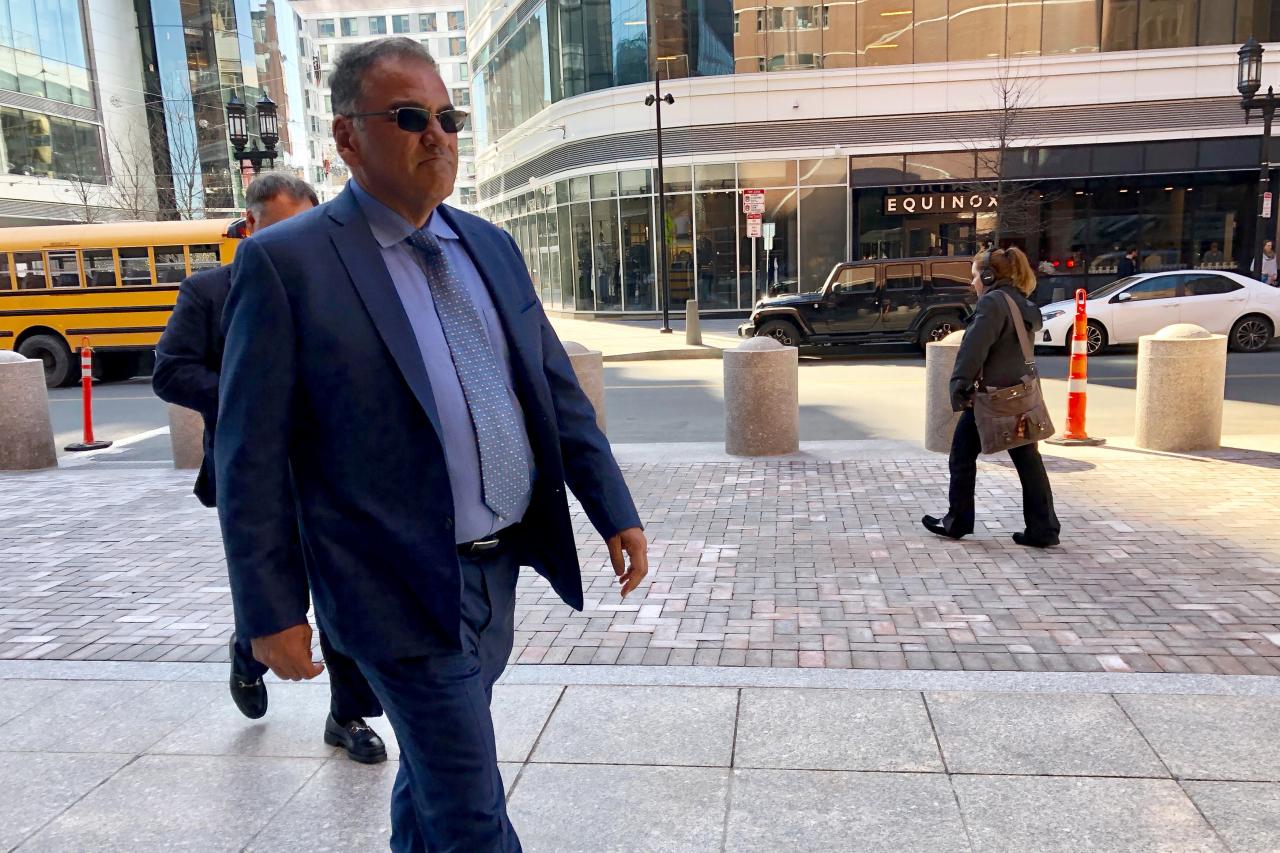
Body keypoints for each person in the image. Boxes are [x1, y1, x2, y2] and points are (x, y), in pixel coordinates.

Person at [215, 37, 649, 852]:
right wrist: (269, 610)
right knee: (471, 811)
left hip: (497, 570)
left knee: (434, 770)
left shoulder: (489, 246)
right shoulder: (286, 264)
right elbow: (249, 456)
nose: (437, 136)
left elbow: (552, 389)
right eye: (410, 117)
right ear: (347, 136)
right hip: (389, 586)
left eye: (448, 118)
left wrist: (611, 507)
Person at [152, 173, 388, 764]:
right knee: (268, 580)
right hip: (257, 473)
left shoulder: (337, 285)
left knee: (343, 590)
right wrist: (253, 395)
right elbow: (171, 371)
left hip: (334, 473)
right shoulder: (209, 291)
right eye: (282, 230)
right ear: (250, 226)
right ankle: (248, 649)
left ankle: (347, 714)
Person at [922, 247, 1061, 549]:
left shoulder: (993, 302)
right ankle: (1044, 527)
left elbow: (974, 348)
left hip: (992, 398)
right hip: (1018, 394)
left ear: (988, 276)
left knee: (961, 455)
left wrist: (959, 385)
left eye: (974, 276)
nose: (972, 282)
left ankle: (957, 522)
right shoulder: (1020, 301)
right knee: (1028, 460)